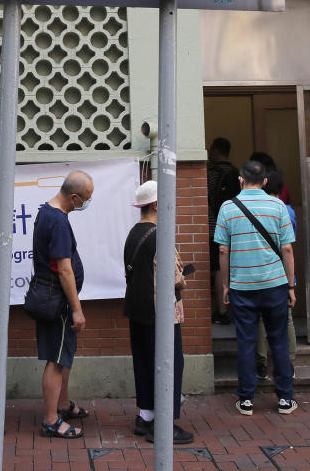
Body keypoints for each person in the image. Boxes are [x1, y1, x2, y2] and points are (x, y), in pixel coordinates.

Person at [215, 161, 298, 416]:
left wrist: (227, 285)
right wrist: (291, 285)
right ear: (264, 182)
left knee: (247, 342)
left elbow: (223, 249)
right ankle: (285, 399)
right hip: (275, 285)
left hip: (242, 286)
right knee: (279, 342)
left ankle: (247, 399)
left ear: (241, 180)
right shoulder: (278, 207)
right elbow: (287, 249)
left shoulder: (228, 208)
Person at [123, 180, 194, 445]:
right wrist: (184, 278)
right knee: (169, 365)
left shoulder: (133, 233)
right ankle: (165, 424)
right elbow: (173, 277)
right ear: (155, 205)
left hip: (137, 309)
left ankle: (146, 417)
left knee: (143, 363)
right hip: (161, 313)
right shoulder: (160, 236)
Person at [34, 170, 93, 439]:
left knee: (63, 355)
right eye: (85, 199)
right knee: (56, 360)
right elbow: (64, 269)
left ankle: (62, 405)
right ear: (73, 196)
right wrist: (77, 308)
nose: (86, 203)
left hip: (56, 299)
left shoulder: (48, 212)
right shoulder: (57, 221)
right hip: (58, 302)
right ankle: (50, 420)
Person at [255, 169, 297, 380]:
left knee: (261, 319)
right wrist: (291, 285)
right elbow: (288, 246)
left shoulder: (258, 208)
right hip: (283, 273)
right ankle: (288, 363)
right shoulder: (287, 210)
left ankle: (261, 363)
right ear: (282, 189)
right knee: (286, 319)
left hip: (262, 272)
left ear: (263, 185)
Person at [207, 137, 240, 324]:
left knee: (219, 268)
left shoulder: (211, 174)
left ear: (216, 150)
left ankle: (221, 310)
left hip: (215, 227)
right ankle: (234, 309)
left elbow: (207, 201)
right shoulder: (237, 173)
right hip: (236, 226)